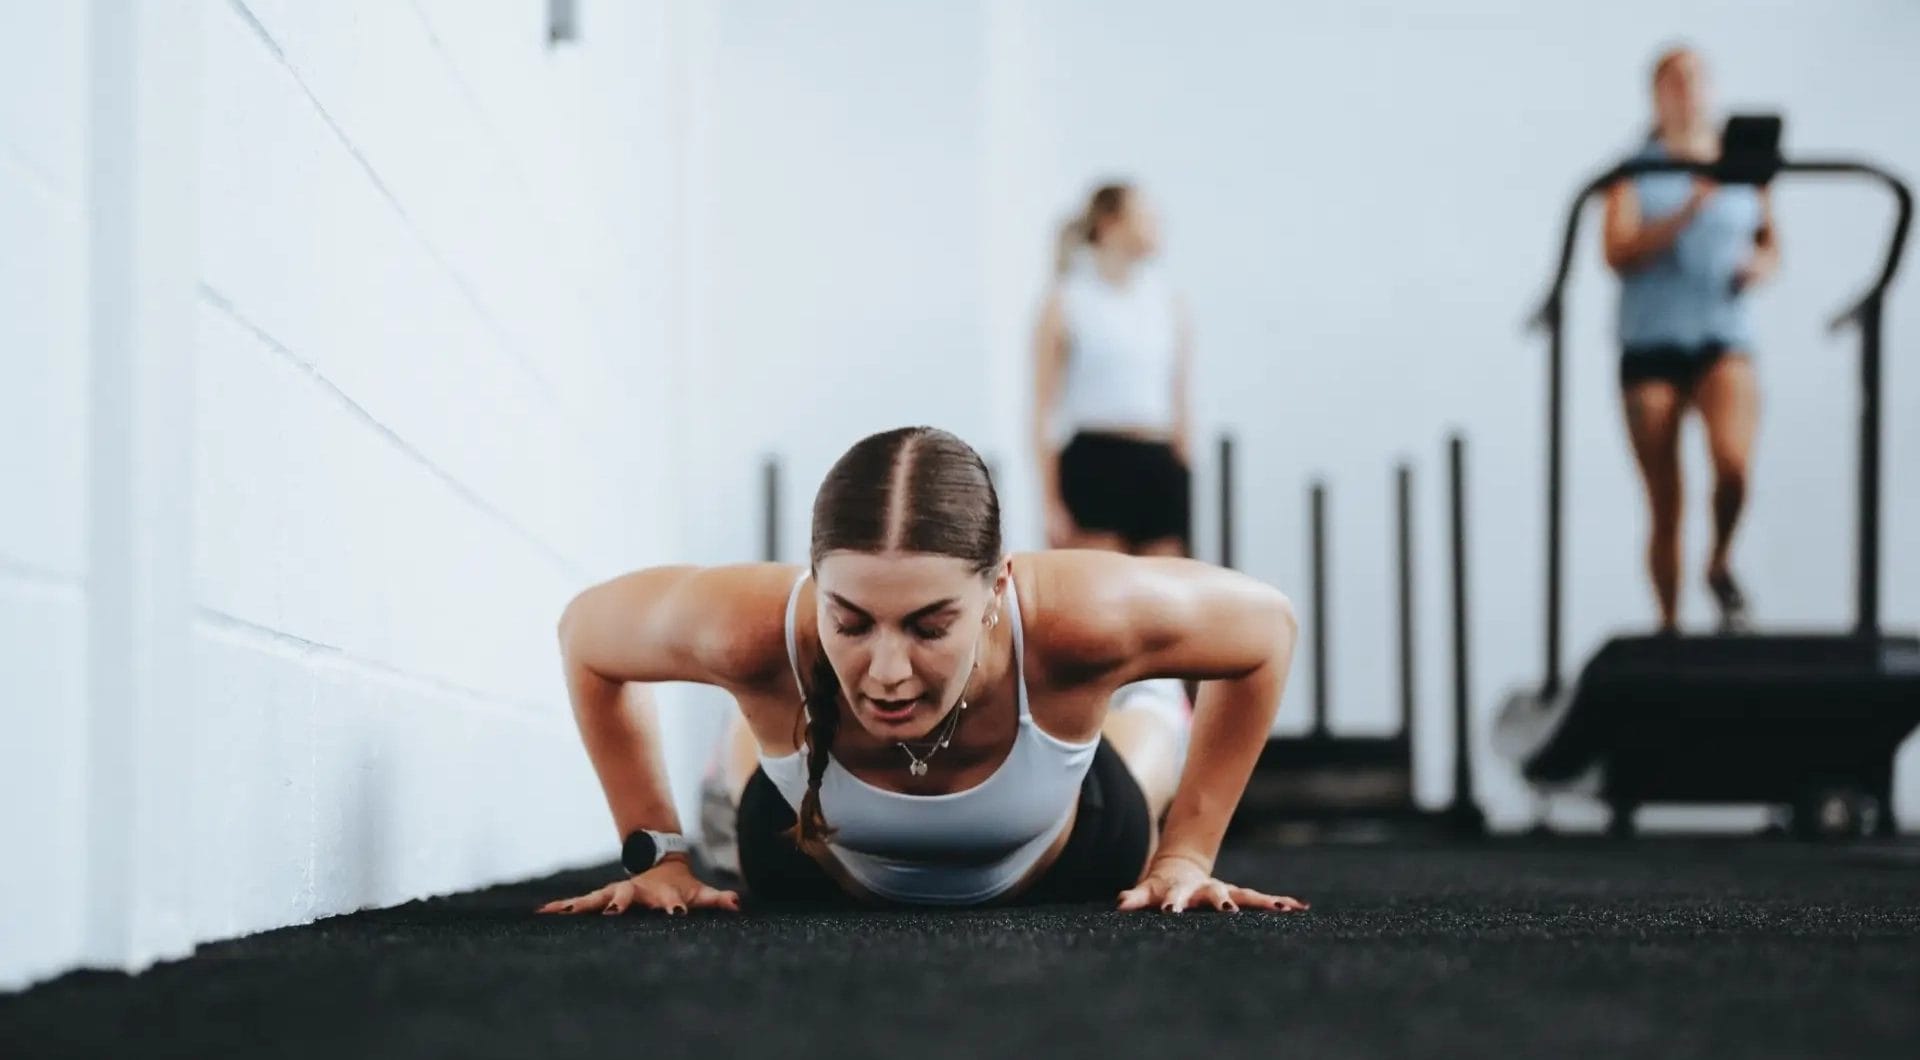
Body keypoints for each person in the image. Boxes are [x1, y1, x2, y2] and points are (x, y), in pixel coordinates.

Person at [539, 426, 1305, 915]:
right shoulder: (749, 627)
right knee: (766, 714)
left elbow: (1266, 631)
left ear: (996, 588)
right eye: (851, 621)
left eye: (930, 625)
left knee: (1139, 750)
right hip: (808, 873)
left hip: (1070, 857)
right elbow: (586, 637)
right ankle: (747, 740)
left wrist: (1186, 854)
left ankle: (1146, 710)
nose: (888, 672)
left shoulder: (1081, 614)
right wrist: (660, 858)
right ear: (816, 583)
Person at [1603, 45, 1778, 632]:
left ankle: (1721, 562)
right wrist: (1686, 210)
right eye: (1673, 82)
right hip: (1652, 347)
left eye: (1695, 80)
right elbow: (1616, 250)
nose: (1686, 92)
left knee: (1733, 464)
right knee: (1666, 501)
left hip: (1722, 337)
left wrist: (1760, 264)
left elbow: (1768, 242)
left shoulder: (1740, 164)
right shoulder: (1636, 170)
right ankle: (1669, 624)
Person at [1033, 182, 1194, 557]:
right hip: (1096, 462)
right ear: (1110, 223)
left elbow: (1180, 399)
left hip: (1157, 460)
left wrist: (1183, 476)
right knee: (1102, 603)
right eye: (1145, 217)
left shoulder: (1167, 303)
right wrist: (1050, 501)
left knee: (1164, 602)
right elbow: (1043, 409)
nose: (1157, 226)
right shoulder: (1067, 301)